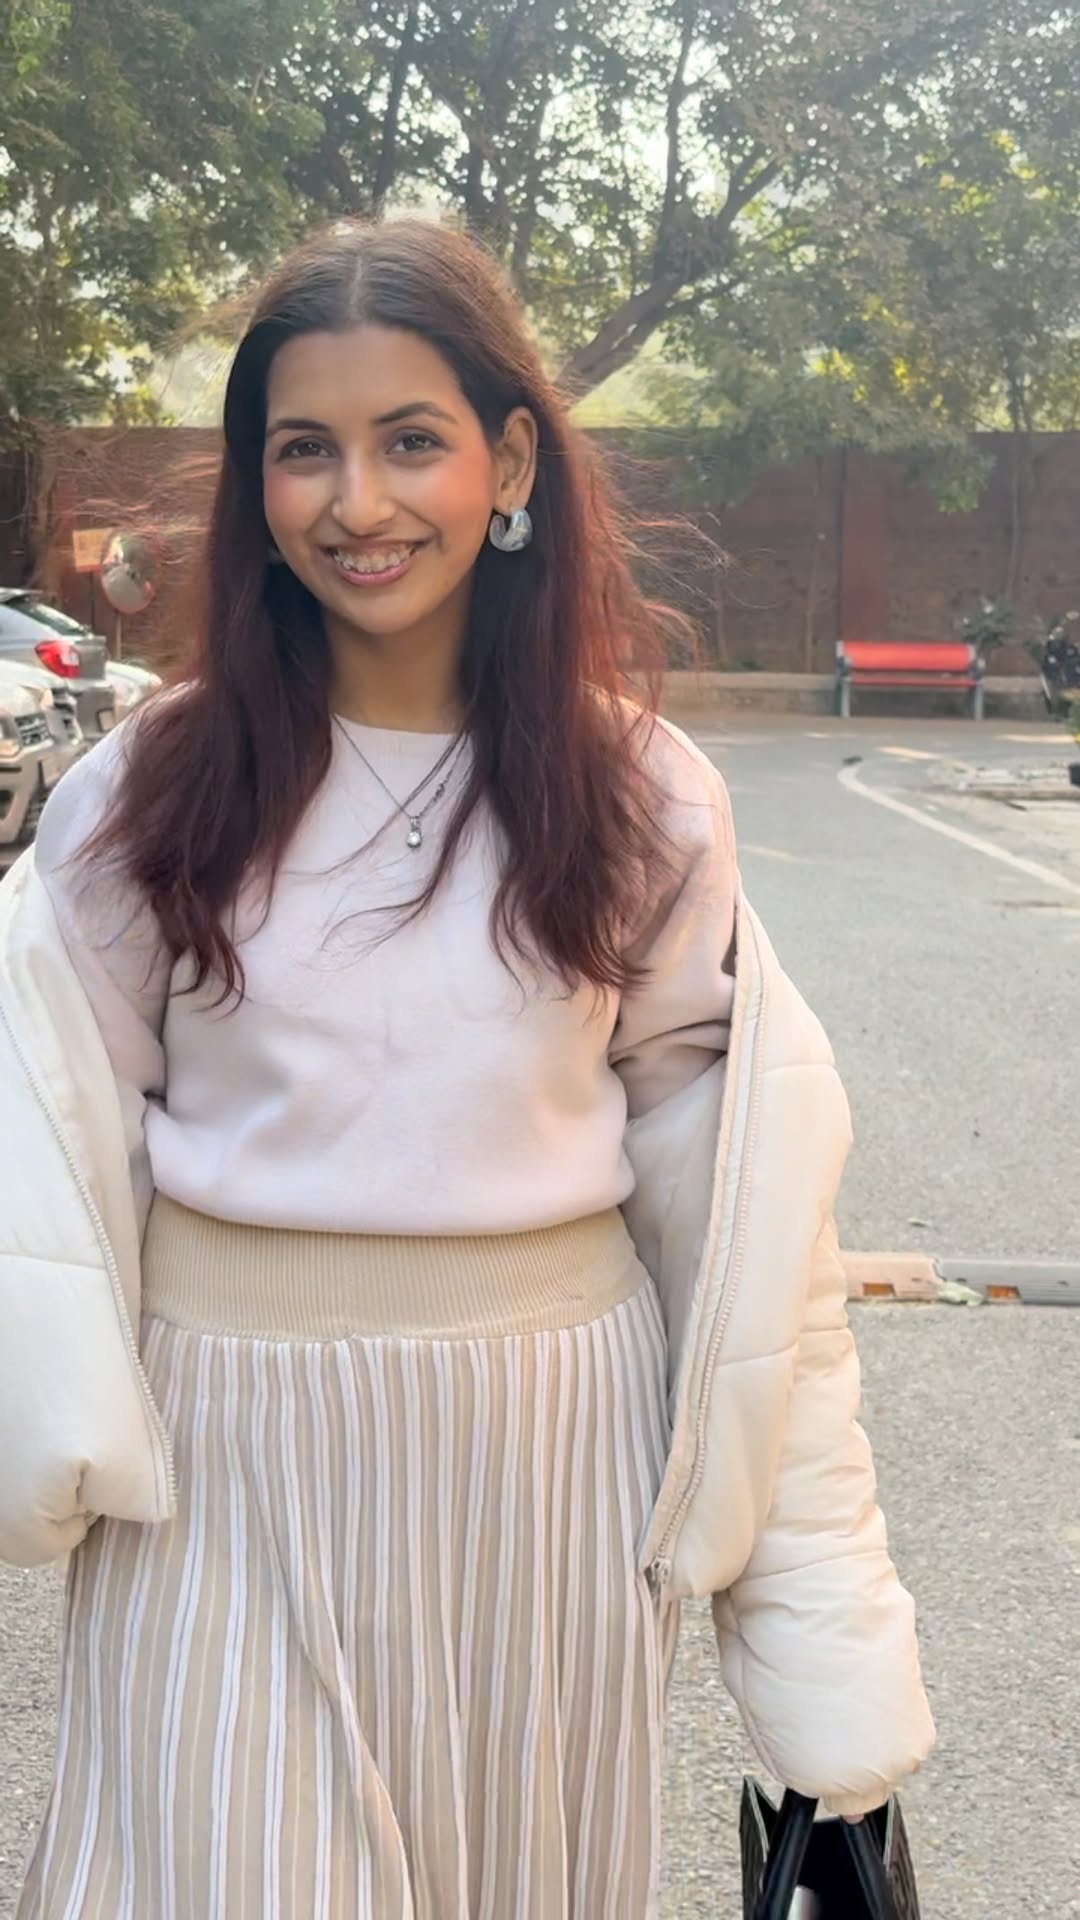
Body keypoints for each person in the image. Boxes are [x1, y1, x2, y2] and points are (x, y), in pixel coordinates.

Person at [0, 219, 933, 1919]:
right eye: (305, 448)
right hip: (225, 1463)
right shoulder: (149, 794)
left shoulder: (641, 798)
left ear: (507, 461)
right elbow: (37, 1158)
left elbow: (748, 1244)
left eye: (410, 440)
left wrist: (833, 1689)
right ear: (256, 483)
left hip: (546, 1472)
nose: (357, 502)